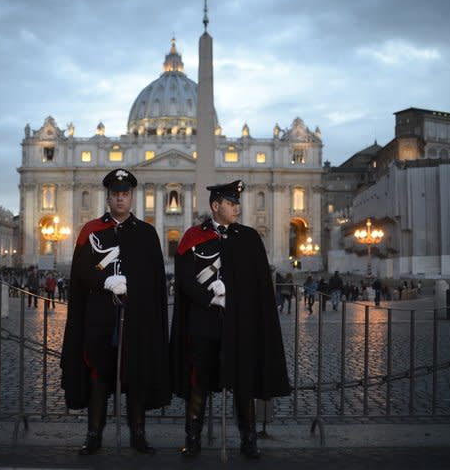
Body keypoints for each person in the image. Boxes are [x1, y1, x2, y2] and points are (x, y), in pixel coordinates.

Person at [170, 180, 290, 459]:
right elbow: (185, 279)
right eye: (231, 203)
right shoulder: (192, 236)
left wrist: (232, 295)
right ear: (216, 206)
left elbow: (258, 284)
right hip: (204, 322)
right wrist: (210, 297)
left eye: (237, 203)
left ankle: (248, 439)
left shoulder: (248, 238)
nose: (237, 207)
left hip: (240, 322)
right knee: (199, 380)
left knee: (243, 381)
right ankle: (193, 437)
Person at [60, 168, 170, 455]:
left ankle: (138, 433)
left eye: (125, 194)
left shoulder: (147, 234)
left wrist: (133, 289)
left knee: (135, 377)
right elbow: (82, 271)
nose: (120, 199)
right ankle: (94, 434)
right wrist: (105, 280)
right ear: (108, 198)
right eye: (115, 195)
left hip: (136, 318)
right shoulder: (91, 230)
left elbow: (155, 279)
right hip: (100, 317)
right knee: (100, 375)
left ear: (131, 197)